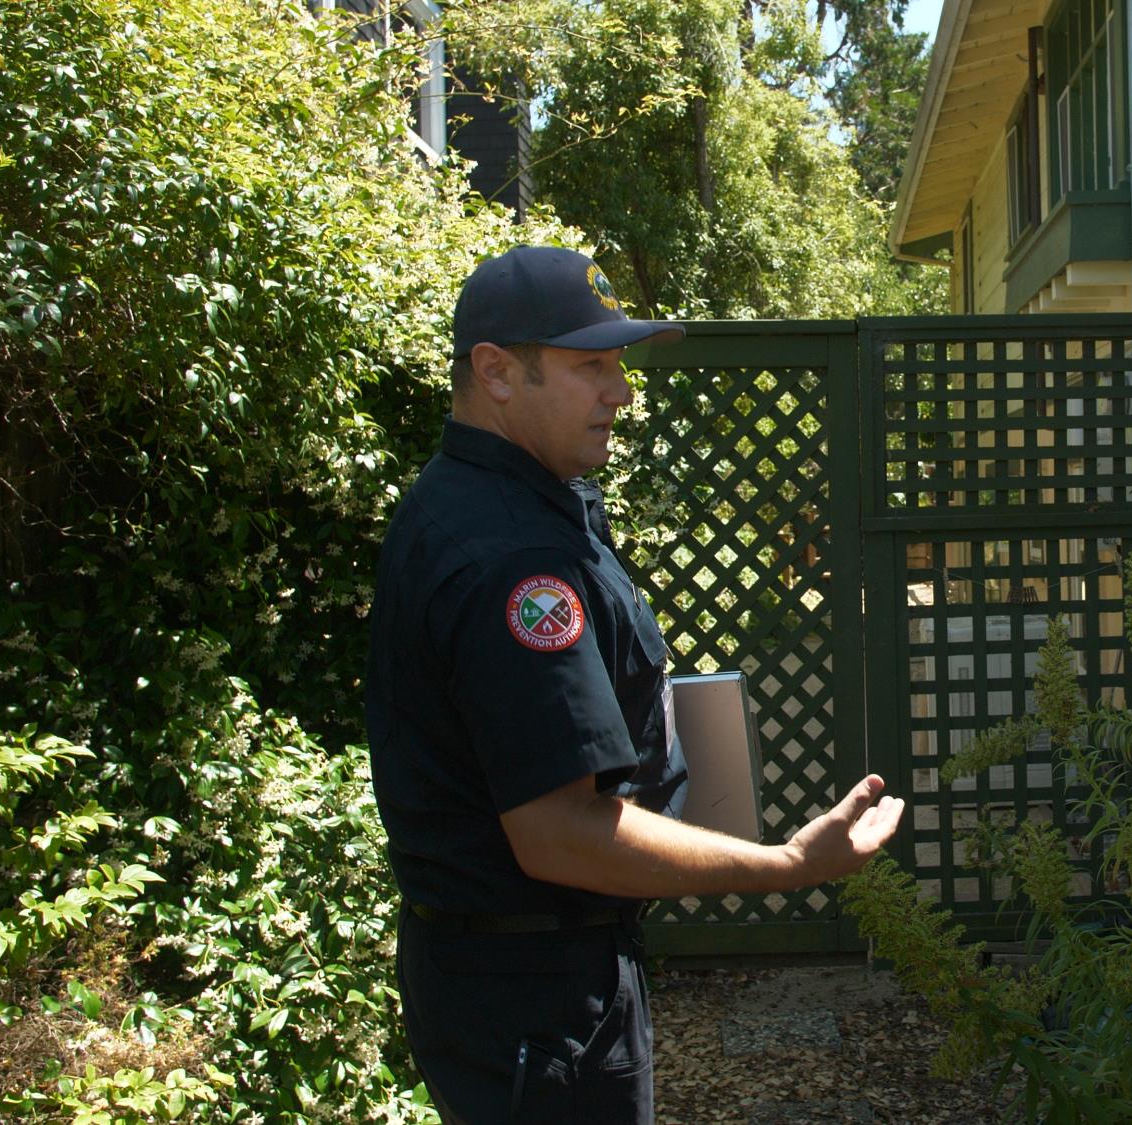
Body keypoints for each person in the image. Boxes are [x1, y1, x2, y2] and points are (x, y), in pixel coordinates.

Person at [366, 245, 904, 1124]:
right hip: (541, 1007)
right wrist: (786, 866)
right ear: (496, 373)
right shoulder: (514, 558)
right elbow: (558, 834)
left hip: (506, 987)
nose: (620, 390)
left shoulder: (494, 501)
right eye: (590, 365)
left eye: (618, 364)